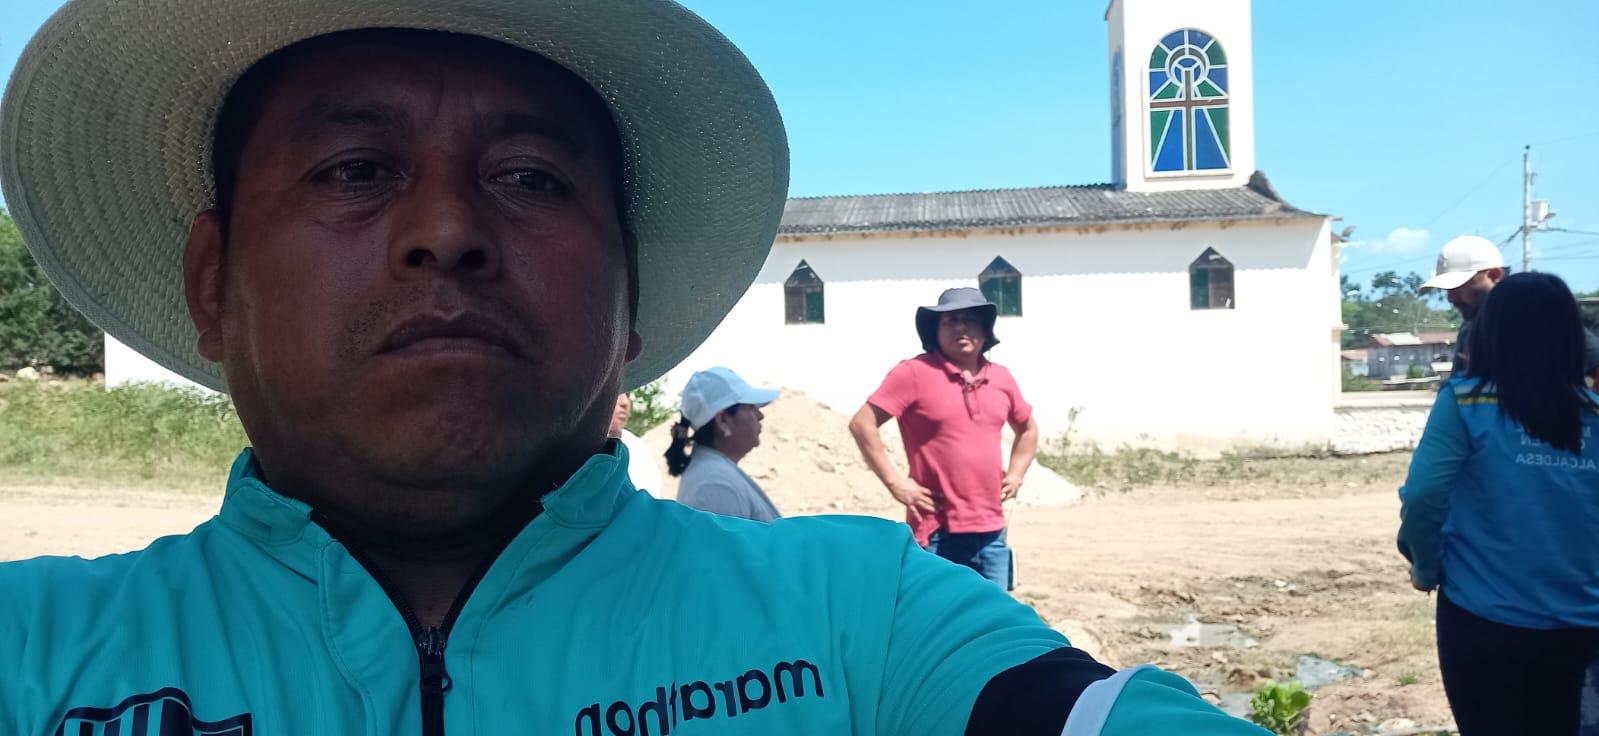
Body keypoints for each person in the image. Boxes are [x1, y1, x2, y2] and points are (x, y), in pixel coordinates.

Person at [0, 1, 1268, 733]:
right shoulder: (35, 653)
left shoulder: (861, 622)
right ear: (212, 283)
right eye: (355, 169)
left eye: (530, 177)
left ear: (632, 306)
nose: (446, 230)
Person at [1397, 272, 1599, 735]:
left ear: (1490, 334)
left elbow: (1424, 495)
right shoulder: (1594, 415)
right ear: (1572, 336)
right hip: (1579, 621)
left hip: (1482, 617)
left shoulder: (1464, 403)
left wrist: (1426, 567)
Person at [849, 287, 1038, 590]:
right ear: (935, 330)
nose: (961, 328)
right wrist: (896, 484)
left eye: (970, 320)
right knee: (935, 614)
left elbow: (1027, 429)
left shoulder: (1001, 377)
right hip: (935, 530)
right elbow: (862, 424)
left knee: (995, 615)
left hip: (991, 530)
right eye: (950, 321)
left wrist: (1016, 475)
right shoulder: (914, 373)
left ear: (985, 330)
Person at [1421, 234, 1599, 383]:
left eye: (1459, 287)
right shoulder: (1469, 326)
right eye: (1447, 290)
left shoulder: (1539, 315)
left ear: (1494, 275)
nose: (1451, 299)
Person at [667, 367, 782, 522]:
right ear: (723, 421)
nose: (760, 415)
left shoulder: (713, 474)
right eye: (750, 406)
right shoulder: (715, 486)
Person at [608, 392, 664, 497]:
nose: (625, 402)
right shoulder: (581, 447)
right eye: (617, 393)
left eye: (627, 394)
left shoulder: (635, 444)